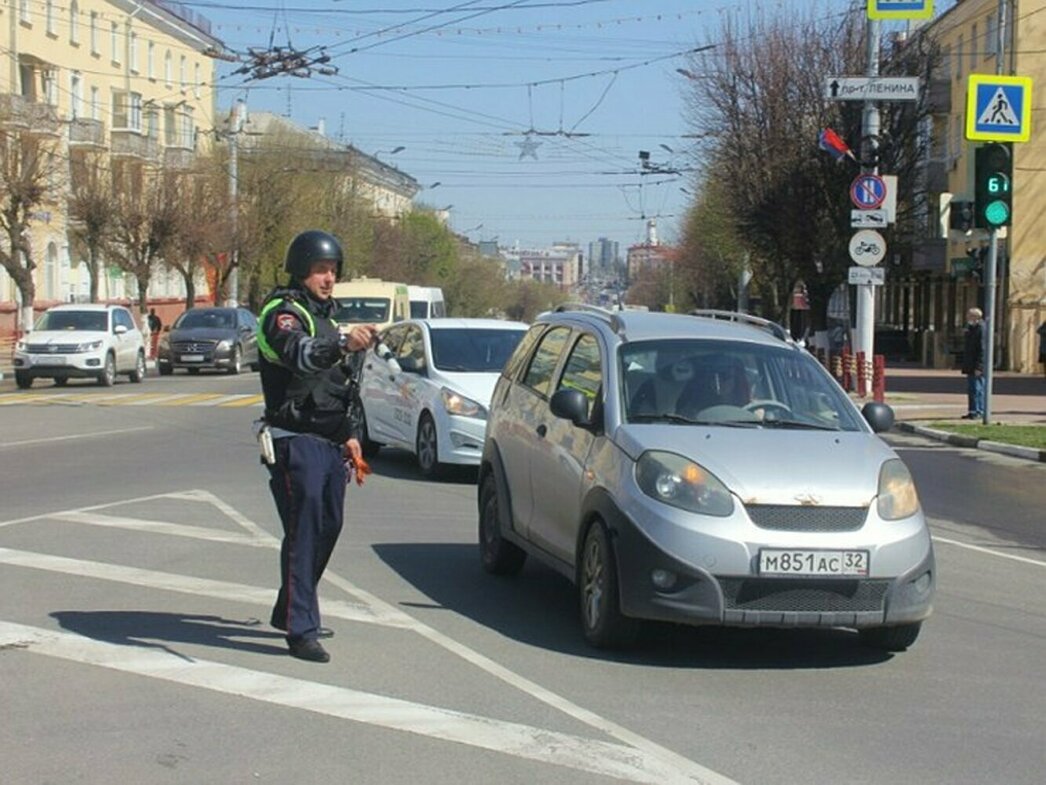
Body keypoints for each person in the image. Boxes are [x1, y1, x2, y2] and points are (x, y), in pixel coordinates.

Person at [256, 229, 378, 663]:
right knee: (305, 530)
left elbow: (330, 384)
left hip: (329, 440)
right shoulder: (282, 313)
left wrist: (349, 435)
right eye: (320, 270)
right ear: (301, 270)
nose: (328, 278)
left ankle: (290, 608)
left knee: (329, 525)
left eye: (333, 271)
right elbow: (299, 355)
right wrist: (343, 343)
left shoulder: (324, 315)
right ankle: (300, 628)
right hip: (295, 438)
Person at [961, 307, 985, 419]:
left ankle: (979, 411)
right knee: (971, 389)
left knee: (977, 389)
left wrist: (979, 366)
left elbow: (982, 349)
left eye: (969, 316)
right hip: (970, 363)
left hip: (977, 365)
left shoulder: (981, 329)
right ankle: (972, 411)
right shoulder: (971, 329)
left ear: (976, 317)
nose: (967, 318)